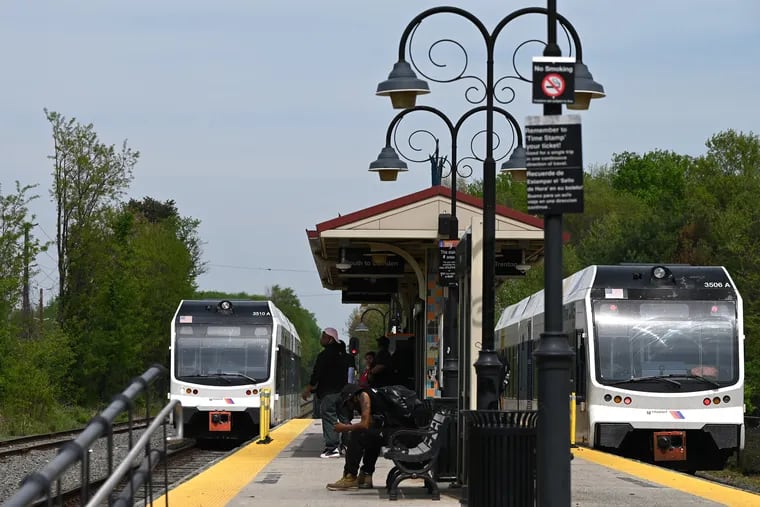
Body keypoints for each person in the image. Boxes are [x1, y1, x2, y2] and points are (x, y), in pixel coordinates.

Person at [326, 384, 412, 491]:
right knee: (371, 435)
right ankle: (366, 475)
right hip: (402, 432)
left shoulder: (364, 396)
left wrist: (345, 427)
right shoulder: (371, 394)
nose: (350, 407)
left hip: (402, 434)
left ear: (353, 396)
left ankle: (350, 476)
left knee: (357, 434)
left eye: (349, 403)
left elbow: (364, 424)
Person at [302, 327, 349, 458]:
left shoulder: (324, 355)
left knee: (329, 418)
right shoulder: (345, 356)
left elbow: (317, 373)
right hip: (344, 393)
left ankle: (332, 447)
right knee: (344, 418)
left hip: (329, 393)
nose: (320, 339)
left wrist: (309, 388)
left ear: (330, 339)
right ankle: (347, 445)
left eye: (323, 336)